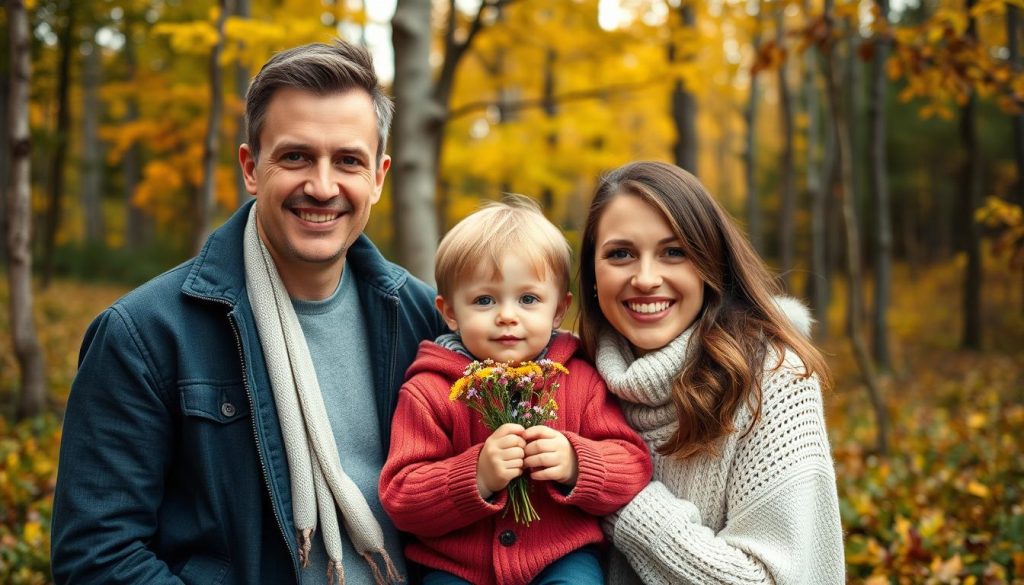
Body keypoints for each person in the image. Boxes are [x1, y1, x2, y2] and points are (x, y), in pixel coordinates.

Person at [51, 40, 445, 585]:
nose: (322, 186)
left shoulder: (425, 320)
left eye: (347, 161)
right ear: (251, 167)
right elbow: (98, 554)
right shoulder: (145, 335)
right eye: (295, 156)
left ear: (378, 177)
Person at [576, 161, 845, 584]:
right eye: (620, 254)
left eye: (674, 251)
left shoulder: (773, 380)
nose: (646, 278)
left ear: (709, 265)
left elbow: (767, 580)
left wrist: (612, 491)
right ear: (593, 274)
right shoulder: (567, 381)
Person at [379, 196, 652, 585]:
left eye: (528, 299)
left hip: (559, 557)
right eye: (484, 300)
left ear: (558, 309)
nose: (507, 315)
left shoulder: (579, 379)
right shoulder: (430, 390)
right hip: (457, 567)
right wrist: (475, 475)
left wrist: (577, 463)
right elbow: (402, 497)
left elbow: (633, 465)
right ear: (450, 311)